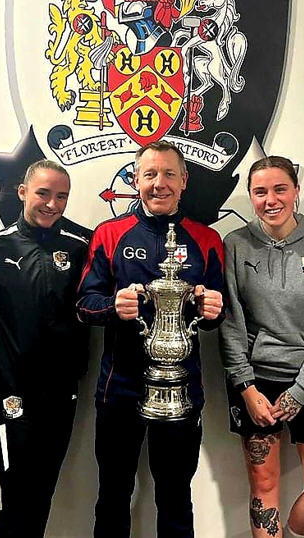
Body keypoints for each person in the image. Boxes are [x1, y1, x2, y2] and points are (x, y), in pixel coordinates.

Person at [76, 140, 224, 538]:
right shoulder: (109, 233)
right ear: (135, 180)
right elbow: (84, 305)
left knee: (175, 496)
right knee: (113, 493)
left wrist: (212, 308)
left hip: (182, 389)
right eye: (150, 174)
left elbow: (218, 313)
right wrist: (113, 305)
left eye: (169, 174)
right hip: (119, 388)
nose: (160, 184)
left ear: (184, 180)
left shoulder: (207, 239)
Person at [219, 155, 304, 538]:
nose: (270, 199)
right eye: (260, 192)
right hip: (255, 383)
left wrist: (301, 391)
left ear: (296, 191)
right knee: (264, 486)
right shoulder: (235, 244)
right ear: (250, 196)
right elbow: (231, 322)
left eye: (280, 189)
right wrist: (246, 388)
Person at [0, 159, 91, 538]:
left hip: (60, 393)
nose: (52, 204)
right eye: (43, 193)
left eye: (62, 196)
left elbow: (93, 305)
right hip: (9, 391)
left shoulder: (78, 248)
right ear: (23, 192)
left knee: (42, 491)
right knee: (17, 494)